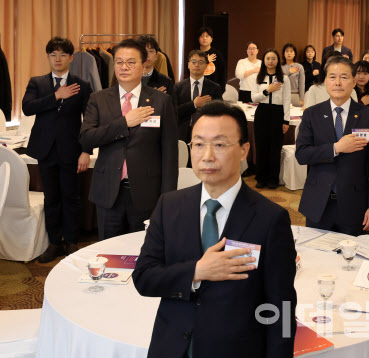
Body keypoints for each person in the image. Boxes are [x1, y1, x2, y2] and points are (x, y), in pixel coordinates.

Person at [133, 100, 297, 358]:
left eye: (219, 145)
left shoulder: (270, 219)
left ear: (244, 150)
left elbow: (283, 308)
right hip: (172, 347)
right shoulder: (169, 205)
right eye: (198, 144)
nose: (206, 155)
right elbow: (144, 278)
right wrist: (197, 271)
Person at [79, 39, 178, 240]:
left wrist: (167, 197)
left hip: (146, 193)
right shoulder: (98, 99)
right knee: (108, 251)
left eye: (131, 62)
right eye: (119, 62)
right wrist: (124, 123)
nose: (124, 67)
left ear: (144, 64)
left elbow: (169, 153)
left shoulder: (161, 101)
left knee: (143, 252)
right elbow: (86, 139)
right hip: (108, 191)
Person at [22, 37, 92, 263]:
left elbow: (89, 120)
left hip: (71, 149)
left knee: (71, 197)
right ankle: (54, 243)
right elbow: (27, 107)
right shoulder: (37, 83)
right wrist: (56, 96)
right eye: (53, 54)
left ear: (71, 58)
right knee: (51, 197)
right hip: (45, 150)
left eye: (63, 54)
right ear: (48, 57)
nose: (58, 59)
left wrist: (86, 150)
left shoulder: (82, 85)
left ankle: (71, 241)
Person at [296, 56, 369, 236]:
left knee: (353, 259)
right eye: (332, 77)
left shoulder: (368, 117)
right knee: (317, 259)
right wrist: (336, 148)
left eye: (344, 77)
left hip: (355, 205)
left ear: (353, 82)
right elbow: (302, 155)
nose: (337, 82)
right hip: (319, 203)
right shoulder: (312, 114)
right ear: (325, 82)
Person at [251, 49, 290, 189]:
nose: (270, 61)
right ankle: (261, 177)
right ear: (264, 60)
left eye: (273, 58)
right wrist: (268, 90)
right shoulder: (258, 77)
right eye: (268, 58)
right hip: (262, 112)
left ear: (278, 61)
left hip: (278, 113)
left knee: (275, 147)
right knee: (261, 146)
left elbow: (286, 100)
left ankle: (273, 179)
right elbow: (253, 97)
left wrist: (286, 121)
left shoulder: (284, 78)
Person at [174, 50, 223, 144]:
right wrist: (194, 104)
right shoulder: (178, 87)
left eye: (201, 62)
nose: (196, 65)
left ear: (206, 66)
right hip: (183, 133)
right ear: (188, 65)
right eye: (193, 62)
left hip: (207, 133)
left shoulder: (214, 88)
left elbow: (219, 113)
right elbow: (174, 112)